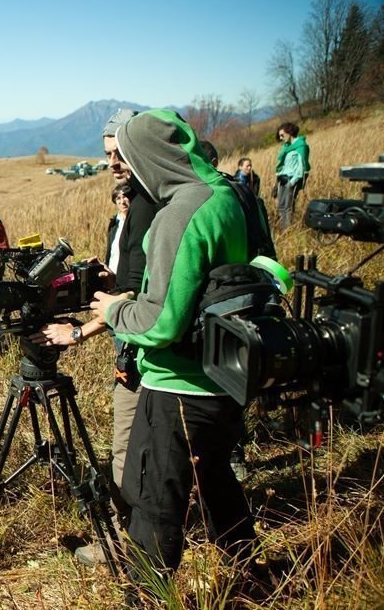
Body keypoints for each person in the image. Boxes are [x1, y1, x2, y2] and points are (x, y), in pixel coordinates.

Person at [89, 109, 257, 589]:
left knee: (154, 498)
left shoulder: (177, 215)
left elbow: (161, 322)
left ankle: (145, 593)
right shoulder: (227, 195)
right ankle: (249, 570)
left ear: (146, 157)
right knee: (217, 480)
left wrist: (114, 309)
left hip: (177, 384)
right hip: (225, 373)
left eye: (127, 155)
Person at [30, 108, 160, 566]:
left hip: (147, 354)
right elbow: (132, 280)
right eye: (106, 155)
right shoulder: (147, 202)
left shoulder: (149, 206)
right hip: (138, 351)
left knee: (128, 453)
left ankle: (130, 548)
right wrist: (107, 275)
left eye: (117, 154)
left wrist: (79, 332)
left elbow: (141, 294)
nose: (111, 164)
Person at [274, 122, 311, 230]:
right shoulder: (287, 147)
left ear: (289, 133)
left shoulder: (301, 146)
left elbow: (302, 166)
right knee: (281, 206)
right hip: (282, 178)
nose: (281, 138)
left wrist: (292, 182)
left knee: (288, 207)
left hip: (291, 179)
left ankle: (288, 229)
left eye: (282, 135)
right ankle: (282, 228)